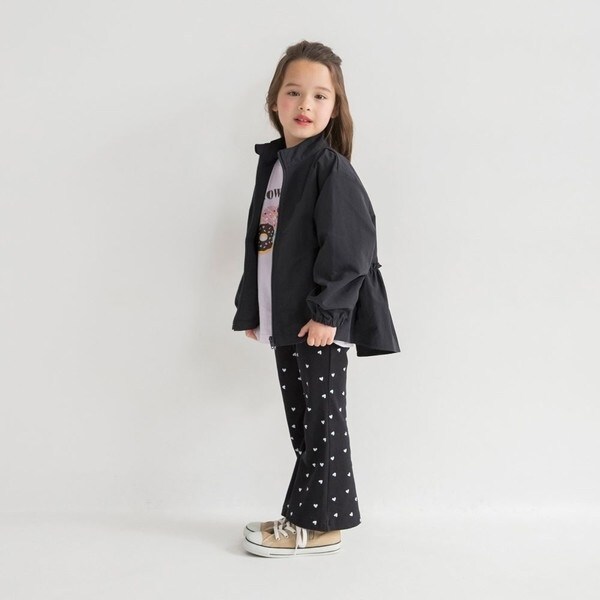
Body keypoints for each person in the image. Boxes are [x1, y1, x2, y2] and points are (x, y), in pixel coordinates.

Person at [232, 40, 401, 558]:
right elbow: (262, 245)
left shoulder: (329, 168)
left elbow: (352, 248)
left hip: (318, 323)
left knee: (323, 422)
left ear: (334, 108)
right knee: (305, 424)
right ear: (274, 100)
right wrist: (254, 309)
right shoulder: (277, 167)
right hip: (288, 319)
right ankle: (305, 516)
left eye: (320, 96)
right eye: (294, 92)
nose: (305, 104)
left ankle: (322, 526)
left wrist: (329, 312)